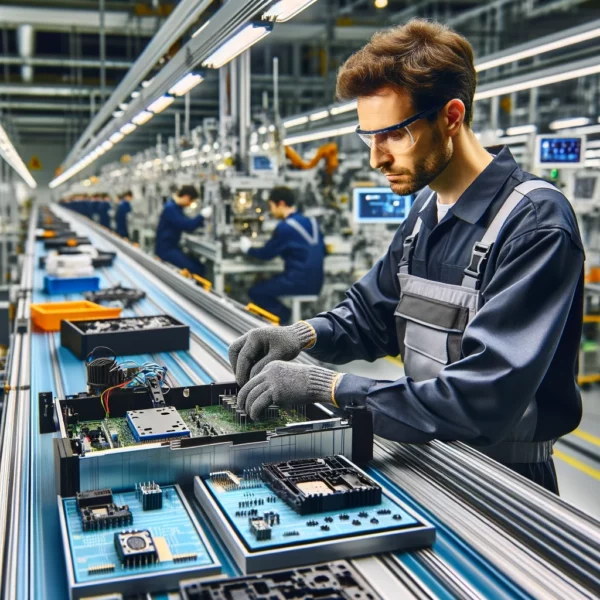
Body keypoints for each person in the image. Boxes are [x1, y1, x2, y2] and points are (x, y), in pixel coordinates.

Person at [228, 19, 584, 493]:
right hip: (424, 454)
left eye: (393, 135)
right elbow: (372, 315)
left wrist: (326, 388)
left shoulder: (534, 223)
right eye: (368, 137)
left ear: (451, 117)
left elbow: (480, 399)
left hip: (505, 480)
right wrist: (301, 334)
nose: (376, 158)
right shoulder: (424, 211)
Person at [240, 187, 326, 325]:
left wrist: (248, 249)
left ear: (280, 204)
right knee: (270, 281)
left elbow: (266, 254)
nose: (271, 211)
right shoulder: (313, 223)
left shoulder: (285, 227)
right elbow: (322, 250)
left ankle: (284, 319)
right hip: (317, 282)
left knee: (255, 291)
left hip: (297, 282)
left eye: (272, 206)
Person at [155, 185, 212, 276]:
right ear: (186, 197)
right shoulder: (171, 209)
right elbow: (187, 225)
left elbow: (186, 221)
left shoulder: (175, 207)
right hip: (166, 251)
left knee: (199, 264)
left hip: (171, 248)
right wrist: (202, 216)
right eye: (191, 201)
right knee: (197, 269)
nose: (190, 204)